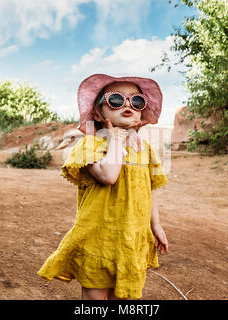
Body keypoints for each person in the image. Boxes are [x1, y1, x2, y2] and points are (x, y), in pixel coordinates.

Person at [37, 74, 169, 300]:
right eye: (116, 100)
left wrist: (155, 224)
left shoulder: (145, 149)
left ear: (140, 112)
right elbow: (108, 175)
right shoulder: (89, 145)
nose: (127, 105)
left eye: (136, 101)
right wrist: (116, 140)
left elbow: (149, 188)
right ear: (98, 113)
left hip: (131, 238)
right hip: (99, 239)